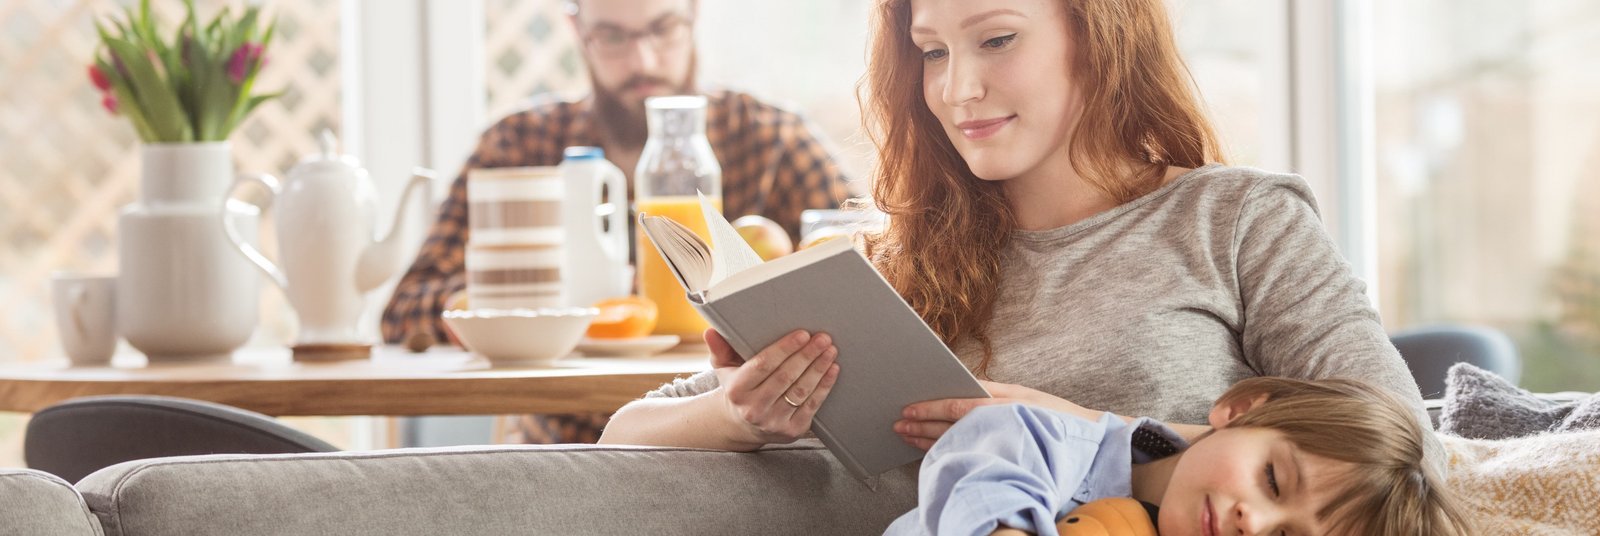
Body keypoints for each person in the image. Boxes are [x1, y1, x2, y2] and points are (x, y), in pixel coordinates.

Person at [598, 0, 1432, 463]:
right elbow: (622, 433)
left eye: (996, 39)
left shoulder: (1236, 220)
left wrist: (1091, 432)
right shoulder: (892, 269)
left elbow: (1401, 447)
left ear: (1098, 31)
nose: (959, 89)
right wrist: (742, 417)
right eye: (932, 52)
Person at [382, 0, 852, 443]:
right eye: (612, 37)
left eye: (663, 29)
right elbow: (405, 310)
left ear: (693, 15)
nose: (642, 60)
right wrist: (528, 300)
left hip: (740, 449)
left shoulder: (772, 140)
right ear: (578, 33)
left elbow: (872, 264)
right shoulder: (520, 144)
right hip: (566, 448)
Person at [885, 377, 1474, 535]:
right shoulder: (1055, 443)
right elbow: (986, 471)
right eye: (1271, 479)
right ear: (1241, 410)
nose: (1256, 522)